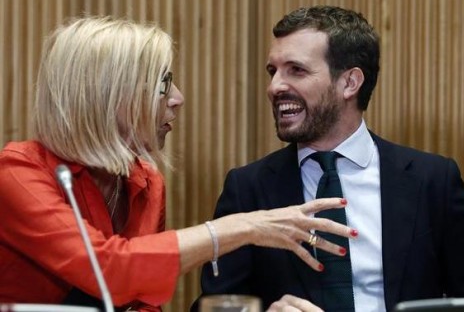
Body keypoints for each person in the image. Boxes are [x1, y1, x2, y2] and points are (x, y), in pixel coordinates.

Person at [0, 17, 356, 311]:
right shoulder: (16, 173)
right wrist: (245, 226)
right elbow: (108, 268)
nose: (178, 98)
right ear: (109, 94)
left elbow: (142, 302)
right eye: (163, 83)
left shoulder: (146, 182)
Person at [194, 5, 464, 312]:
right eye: (273, 71)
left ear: (350, 83)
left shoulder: (432, 180)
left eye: (296, 70)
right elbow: (213, 306)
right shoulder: (248, 189)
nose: (274, 87)